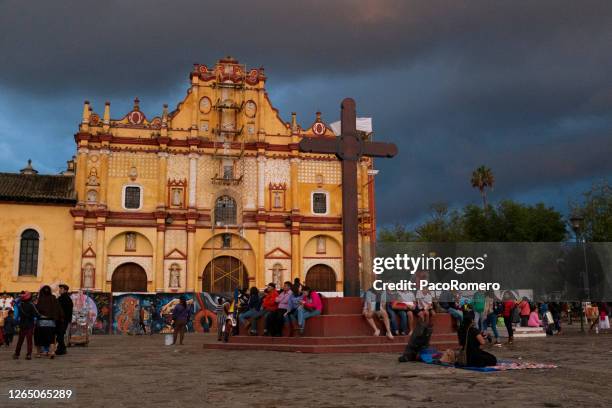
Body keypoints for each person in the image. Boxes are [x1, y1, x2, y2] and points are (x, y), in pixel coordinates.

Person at [35, 285, 62, 358]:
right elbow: (58, 310)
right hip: (51, 323)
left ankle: (38, 353)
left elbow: (36, 310)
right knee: (51, 339)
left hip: (41, 323)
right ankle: (52, 352)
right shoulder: (53, 298)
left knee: (39, 339)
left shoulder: (40, 299)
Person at [14, 292, 40, 360]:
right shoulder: (31, 305)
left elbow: (17, 315)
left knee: (20, 340)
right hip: (30, 325)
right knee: (29, 340)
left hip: (22, 324)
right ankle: (28, 354)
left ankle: (17, 354)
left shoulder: (20, 305)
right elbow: (37, 314)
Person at [55, 284, 73, 356]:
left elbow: (67, 311)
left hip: (63, 320)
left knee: (60, 335)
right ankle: (61, 349)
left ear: (65, 290)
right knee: (60, 335)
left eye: (61, 289)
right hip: (62, 320)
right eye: (60, 288)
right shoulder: (62, 298)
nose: (60, 290)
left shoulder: (65, 299)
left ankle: (62, 349)